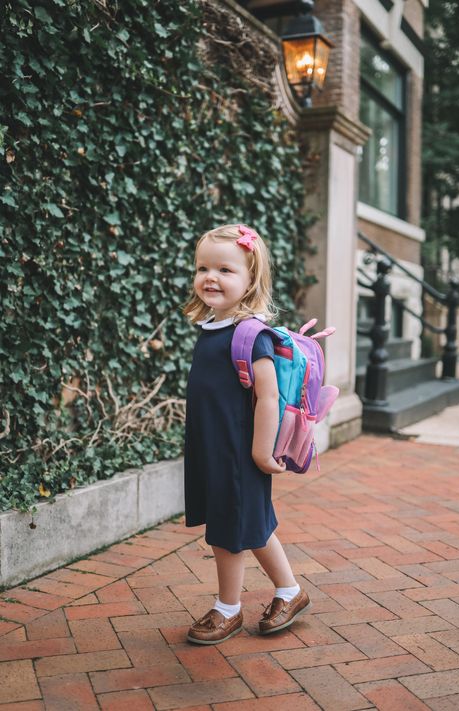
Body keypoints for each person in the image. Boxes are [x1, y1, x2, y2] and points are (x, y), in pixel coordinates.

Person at [182, 223, 311, 645]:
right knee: (252, 525)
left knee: (228, 532)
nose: (210, 277)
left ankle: (227, 608)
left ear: (251, 278)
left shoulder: (249, 334)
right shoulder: (211, 327)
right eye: (203, 267)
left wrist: (259, 450)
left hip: (239, 453)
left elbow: (269, 398)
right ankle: (290, 592)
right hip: (215, 448)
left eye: (225, 269)